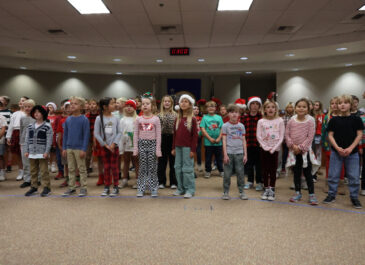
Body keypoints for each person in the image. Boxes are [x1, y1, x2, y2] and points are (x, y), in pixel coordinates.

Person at [323, 95, 363, 209]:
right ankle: (331, 194)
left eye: (346, 103)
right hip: (336, 152)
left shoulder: (356, 119)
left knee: (354, 176)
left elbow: (359, 134)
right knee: (333, 175)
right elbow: (330, 135)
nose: (342, 105)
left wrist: (350, 148)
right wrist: (337, 147)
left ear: (351, 105)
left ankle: (354, 197)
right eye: (340, 103)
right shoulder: (333, 120)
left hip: (353, 153)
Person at [285, 98, 319, 205]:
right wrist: (292, 146)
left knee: (308, 173)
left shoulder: (311, 120)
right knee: (296, 172)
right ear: (295, 108)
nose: (301, 108)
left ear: (308, 109)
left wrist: (301, 147)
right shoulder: (291, 120)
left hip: (305, 152)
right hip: (294, 151)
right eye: (299, 106)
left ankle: (311, 194)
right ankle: (297, 192)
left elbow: (310, 137)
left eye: (304, 107)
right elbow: (287, 134)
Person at [133, 94, 161, 197]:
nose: (145, 106)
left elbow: (158, 135)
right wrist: (135, 148)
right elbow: (135, 134)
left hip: (152, 144)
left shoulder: (156, 119)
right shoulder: (138, 119)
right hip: (142, 144)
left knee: (153, 167)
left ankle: (154, 188)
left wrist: (158, 149)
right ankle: (141, 188)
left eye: (147, 104)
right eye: (143, 104)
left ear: (152, 106)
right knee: (143, 167)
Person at [256, 100, 285, 201]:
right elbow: (258, 136)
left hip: (275, 149)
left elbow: (281, 136)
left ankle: (272, 189)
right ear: (264, 109)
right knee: (265, 169)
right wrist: (265, 147)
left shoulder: (280, 120)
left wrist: (274, 147)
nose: (270, 109)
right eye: (268, 107)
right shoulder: (261, 121)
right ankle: (266, 188)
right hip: (264, 149)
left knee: (273, 170)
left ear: (276, 109)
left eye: (273, 107)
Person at [62, 97, 90, 197]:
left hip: (79, 148)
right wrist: (64, 147)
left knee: (82, 169)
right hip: (69, 147)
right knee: (71, 168)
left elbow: (86, 135)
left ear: (81, 107)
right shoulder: (68, 119)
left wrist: (84, 149)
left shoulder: (84, 119)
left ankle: (84, 188)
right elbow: (65, 134)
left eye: (75, 104)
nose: (72, 105)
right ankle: (71, 187)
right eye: (71, 104)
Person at [94, 97, 122, 197]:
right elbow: (96, 134)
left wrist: (114, 144)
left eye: (115, 103)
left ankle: (116, 186)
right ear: (105, 107)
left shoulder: (116, 118)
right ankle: (107, 186)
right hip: (105, 147)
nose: (114, 105)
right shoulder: (98, 118)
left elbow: (119, 132)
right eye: (112, 103)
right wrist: (105, 145)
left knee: (114, 167)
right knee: (106, 167)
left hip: (114, 147)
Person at [172, 94, 198, 198]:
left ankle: (190, 189)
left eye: (186, 101)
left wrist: (193, 150)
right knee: (177, 168)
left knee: (187, 169)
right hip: (177, 147)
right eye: (182, 101)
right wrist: (173, 147)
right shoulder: (177, 119)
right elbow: (174, 135)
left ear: (190, 104)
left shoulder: (193, 119)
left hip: (188, 148)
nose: (183, 103)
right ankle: (180, 188)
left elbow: (195, 136)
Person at [24, 105, 53, 196]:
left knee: (44, 171)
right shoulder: (30, 126)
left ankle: (46, 187)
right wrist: (26, 150)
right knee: (33, 170)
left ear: (43, 114)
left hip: (42, 152)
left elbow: (49, 140)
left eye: (38, 112)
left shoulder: (47, 126)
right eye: (35, 112)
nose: (36, 114)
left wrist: (46, 152)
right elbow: (27, 139)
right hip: (32, 152)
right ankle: (34, 187)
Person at [221, 104, 248, 200]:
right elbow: (224, 140)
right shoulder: (225, 126)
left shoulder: (241, 126)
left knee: (240, 173)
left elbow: (244, 140)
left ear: (239, 114)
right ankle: (226, 192)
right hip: (229, 153)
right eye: (231, 112)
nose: (234, 114)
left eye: (236, 112)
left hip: (239, 153)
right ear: (228, 114)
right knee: (227, 174)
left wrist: (245, 154)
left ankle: (241, 192)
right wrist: (225, 154)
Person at [241, 96, 263, 191]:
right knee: (249, 164)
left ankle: (259, 182)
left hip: (259, 145)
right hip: (248, 145)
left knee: (259, 165)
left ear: (259, 106)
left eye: (256, 104)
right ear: (249, 106)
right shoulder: (244, 118)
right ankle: (250, 181)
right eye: (252, 104)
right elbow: (241, 131)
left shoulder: (262, 118)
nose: (254, 106)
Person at [157, 95, 177, 189]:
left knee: (173, 162)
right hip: (162, 138)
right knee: (162, 161)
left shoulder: (176, 115)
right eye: (165, 101)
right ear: (162, 103)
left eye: (169, 101)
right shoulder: (158, 115)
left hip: (173, 138)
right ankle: (161, 182)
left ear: (172, 103)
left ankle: (173, 182)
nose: (167, 103)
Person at [6, 96, 28, 181]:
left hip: (25, 133)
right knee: (18, 154)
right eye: (20, 100)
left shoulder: (28, 114)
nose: (20, 102)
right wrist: (8, 136)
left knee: (25, 153)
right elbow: (11, 125)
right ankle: (21, 171)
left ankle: (27, 171)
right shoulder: (15, 113)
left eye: (23, 101)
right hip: (16, 132)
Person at [200, 100, 224, 178]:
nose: (211, 108)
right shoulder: (205, 117)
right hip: (208, 142)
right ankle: (208, 171)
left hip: (218, 142)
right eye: (209, 106)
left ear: (215, 108)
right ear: (206, 108)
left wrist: (219, 138)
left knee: (219, 158)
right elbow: (203, 129)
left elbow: (222, 128)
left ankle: (221, 170)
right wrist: (210, 138)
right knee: (208, 158)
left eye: (212, 106)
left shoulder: (219, 117)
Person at [119, 99, 139, 189]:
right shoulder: (122, 120)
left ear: (134, 108)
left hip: (135, 144)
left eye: (131, 106)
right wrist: (121, 146)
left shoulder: (138, 119)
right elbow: (120, 133)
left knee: (136, 162)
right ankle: (124, 179)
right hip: (125, 144)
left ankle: (138, 180)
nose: (129, 108)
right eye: (127, 106)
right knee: (126, 161)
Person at [19, 99, 36, 188]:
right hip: (24, 143)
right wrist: (21, 142)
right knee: (25, 162)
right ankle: (27, 180)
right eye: (25, 106)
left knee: (35, 161)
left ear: (33, 107)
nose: (27, 108)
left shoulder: (36, 118)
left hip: (35, 143)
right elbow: (21, 131)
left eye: (29, 106)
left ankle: (37, 179)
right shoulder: (22, 118)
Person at [312, 100, 325, 181]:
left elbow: (323, 127)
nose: (315, 106)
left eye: (317, 105)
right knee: (312, 155)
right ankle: (311, 173)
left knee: (318, 155)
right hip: (311, 136)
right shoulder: (311, 115)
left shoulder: (322, 116)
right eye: (314, 105)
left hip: (319, 136)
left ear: (320, 106)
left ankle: (314, 174)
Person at [46, 102, 58, 173]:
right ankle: (48, 164)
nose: (49, 109)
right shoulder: (45, 117)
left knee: (53, 151)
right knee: (47, 150)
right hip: (46, 136)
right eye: (48, 107)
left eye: (51, 107)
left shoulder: (56, 117)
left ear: (54, 109)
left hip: (53, 135)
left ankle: (53, 164)